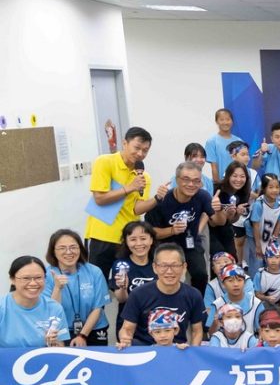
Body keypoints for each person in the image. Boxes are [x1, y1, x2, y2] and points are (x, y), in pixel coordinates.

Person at [85, 127, 162, 280]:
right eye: (137, 148)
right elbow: (99, 199)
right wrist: (129, 188)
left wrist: (157, 199)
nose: (140, 154)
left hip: (129, 238)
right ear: (125, 143)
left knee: (128, 282)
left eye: (145, 150)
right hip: (102, 235)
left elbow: (136, 209)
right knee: (98, 282)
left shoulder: (143, 176)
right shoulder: (105, 162)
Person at [146, 161, 224, 294]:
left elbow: (219, 222)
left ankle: (195, 302)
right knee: (165, 278)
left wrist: (218, 209)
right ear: (177, 180)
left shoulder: (202, 196)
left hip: (191, 243)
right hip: (166, 246)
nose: (191, 184)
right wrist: (172, 230)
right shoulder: (163, 199)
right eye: (186, 179)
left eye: (196, 181)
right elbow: (151, 232)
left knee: (201, 275)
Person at [118, 243, 205, 347]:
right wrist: (125, 338)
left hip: (177, 350)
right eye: (163, 266)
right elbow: (127, 329)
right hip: (144, 350)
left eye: (175, 265)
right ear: (154, 267)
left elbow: (197, 331)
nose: (169, 271)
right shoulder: (138, 294)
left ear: (184, 267)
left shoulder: (194, 295)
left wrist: (192, 353)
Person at [43, 229, 111, 347]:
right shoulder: (46, 274)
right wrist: (57, 288)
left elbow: (98, 308)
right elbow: (51, 311)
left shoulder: (94, 271)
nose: (69, 252)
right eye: (62, 248)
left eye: (73, 247)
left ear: (80, 249)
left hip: (93, 329)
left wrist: (82, 335)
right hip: (61, 330)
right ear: (53, 251)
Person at [1, 256, 70, 348]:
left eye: (38, 278)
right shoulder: (2, 307)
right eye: (26, 278)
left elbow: (60, 348)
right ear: (12, 279)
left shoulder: (55, 308)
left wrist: (53, 343)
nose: (33, 283)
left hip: (42, 357)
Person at [110, 221, 157, 333]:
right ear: (126, 242)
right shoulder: (121, 265)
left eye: (143, 238)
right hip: (128, 323)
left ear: (151, 240)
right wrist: (123, 287)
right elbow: (121, 299)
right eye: (133, 239)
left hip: (156, 323)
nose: (138, 243)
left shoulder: (159, 263)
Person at [209, 159, 252, 258]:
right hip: (210, 228)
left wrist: (237, 213)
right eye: (235, 176)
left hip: (226, 228)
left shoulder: (244, 193)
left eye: (242, 176)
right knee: (219, 259)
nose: (238, 180)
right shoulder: (217, 189)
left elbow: (231, 220)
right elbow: (212, 220)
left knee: (232, 258)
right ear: (228, 176)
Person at [246, 173, 280, 274]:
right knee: (258, 258)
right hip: (254, 234)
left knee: (269, 256)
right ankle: (255, 280)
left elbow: (279, 222)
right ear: (264, 189)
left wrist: (274, 240)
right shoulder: (259, 204)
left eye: (277, 187)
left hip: (268, 233)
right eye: (271, 187)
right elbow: (255, 226)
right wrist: (258, 245)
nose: (274, 190)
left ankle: (266, 279)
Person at [207, 265, 264, 336]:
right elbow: (211, 334)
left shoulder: (255, 303)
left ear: (244, 283)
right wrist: (215, 323)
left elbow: (262, 330)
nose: (236, 284)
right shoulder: (217, 304)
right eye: (230, 281)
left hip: (249, 341)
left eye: (239, 280)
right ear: (223, 284)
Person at [206, 108, 244, 183]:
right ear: (217, 121)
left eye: (228, 119)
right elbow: (214, 166)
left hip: (238, 182)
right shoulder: (212, 141)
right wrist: (218, 184)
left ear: (232, 121)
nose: (225, 122)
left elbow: (242, 164)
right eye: (222, 119)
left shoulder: (239, 141)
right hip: (222, 183)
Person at [253, 240, 280, 310]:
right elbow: (257, 294)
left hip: (279, 305)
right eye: (270, 257)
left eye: (277, 257)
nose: (273, 261)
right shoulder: (260, 275)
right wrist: (266, 298)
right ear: (265, 259)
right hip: (262, 306)